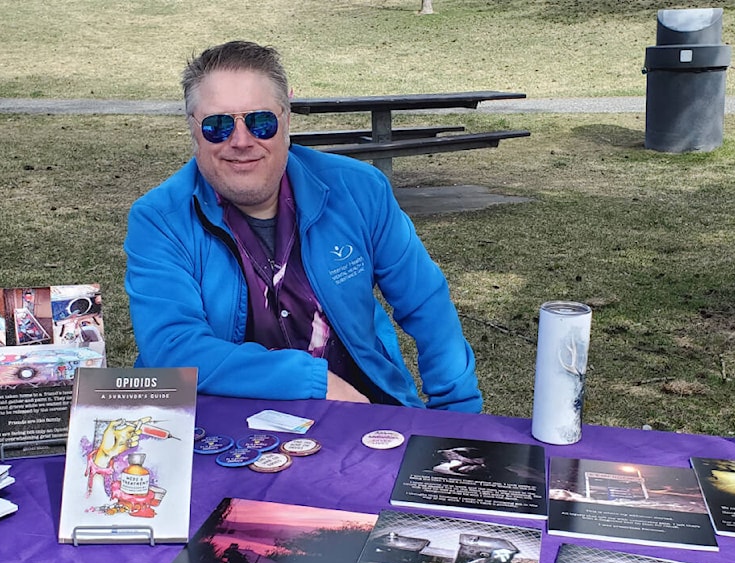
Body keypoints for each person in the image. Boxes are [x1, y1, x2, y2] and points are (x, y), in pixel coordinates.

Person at [124, 40, 481, 412]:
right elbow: (172, 348)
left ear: (287, 117)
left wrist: (459, 412)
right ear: (193, 129)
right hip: (225, 430)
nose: (242, 141)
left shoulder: (359, 190)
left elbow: (426, 303)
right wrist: (311, 379)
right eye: (218, 126)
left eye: (262, 122)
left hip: (361, 415)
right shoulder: (159, 219)